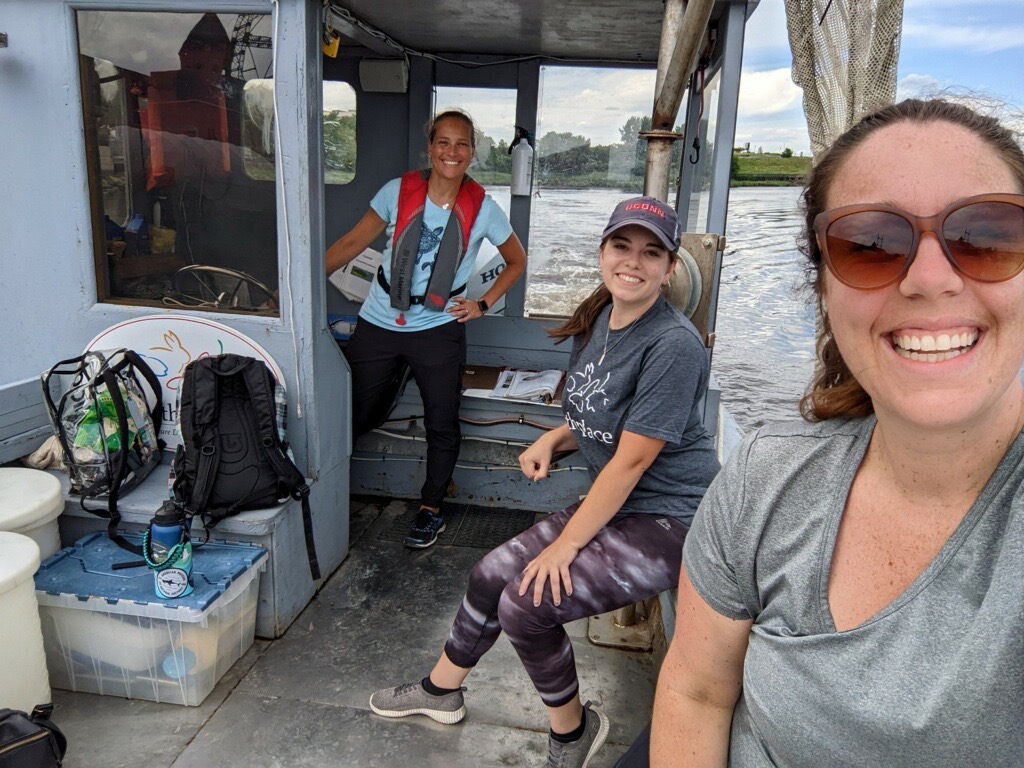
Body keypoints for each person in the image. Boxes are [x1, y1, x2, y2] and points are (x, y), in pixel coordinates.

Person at [650, 98, 1024, 767]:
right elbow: (696, 692)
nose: (930, 279)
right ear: (822, 286)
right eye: (872, 245)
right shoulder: (766, 478)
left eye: (987, 236)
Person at [368, 196, 721, 767]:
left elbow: (632, 461)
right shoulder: (603, 315)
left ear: (670, 267)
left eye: (651, 252)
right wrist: (552, 440)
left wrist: (565, 544)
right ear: (603, 252)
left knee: (526, 607)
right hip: (622, 502)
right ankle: (441, 691)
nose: (633, 262)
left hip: (672, 516)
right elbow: (595, 412)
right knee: (489, 577)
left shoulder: (673, 345)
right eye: (622, 246)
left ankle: (571, 733)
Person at [326, 110, 527, 548]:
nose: (451, 152)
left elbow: (517, 260)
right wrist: (291, 292)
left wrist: (483, 303)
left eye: (461, 144)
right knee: (352, 412)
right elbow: (349, 245)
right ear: (430, 147)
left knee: (442, 421)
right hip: (380, 320)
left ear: (472, 152)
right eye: (443, 142)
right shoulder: (396, 192)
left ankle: (430, 509)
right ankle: (327, 495)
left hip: (438, 327)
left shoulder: (486, 210)